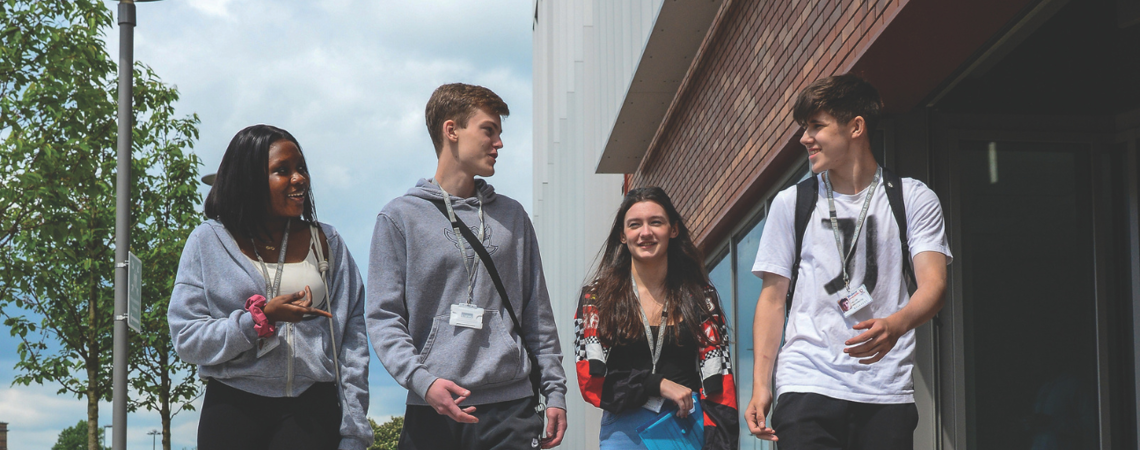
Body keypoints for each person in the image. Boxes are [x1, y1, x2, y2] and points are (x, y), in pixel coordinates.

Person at [744, 74, 952, 449]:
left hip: (885, 391)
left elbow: (934, 285)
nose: (805, 138)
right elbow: (773, 301)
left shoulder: (914, 198)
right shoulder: (791, 203)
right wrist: (762, 385)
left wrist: (896, 323)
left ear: (856, 127)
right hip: (807, 383)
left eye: (816, 126)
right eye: (804, 128)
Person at [366, 83, 567, 450]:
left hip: (511, 407)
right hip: (433, 406)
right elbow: (383, 317)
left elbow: (537, 312)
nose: (499, 143)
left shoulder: (512, 216)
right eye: (488, 130)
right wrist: (422, 381)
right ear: (452, 130)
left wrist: (554, 391)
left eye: (499, 133)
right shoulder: (399, 218)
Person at [169, 125, 372, 450]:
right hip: (232, 409)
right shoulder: (208, 241)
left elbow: (353, 343)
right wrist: (257, 321)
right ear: (249, 179)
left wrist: (356, 430)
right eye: (282, 171)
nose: (299, 179)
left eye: (301, 168)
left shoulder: (327, 242)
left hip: (312, 411)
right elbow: (186, 339)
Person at [574, 187, 739, 449]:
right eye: (635, 224)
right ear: (622, 234)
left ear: (673, 230)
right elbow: (590, 383)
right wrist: (655, 384)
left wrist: (722, 443)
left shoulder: (701, 296)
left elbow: (722, 382)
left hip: (688, 426)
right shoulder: (596, 299)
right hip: (624, 432)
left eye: (656, 222)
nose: (645, 232)